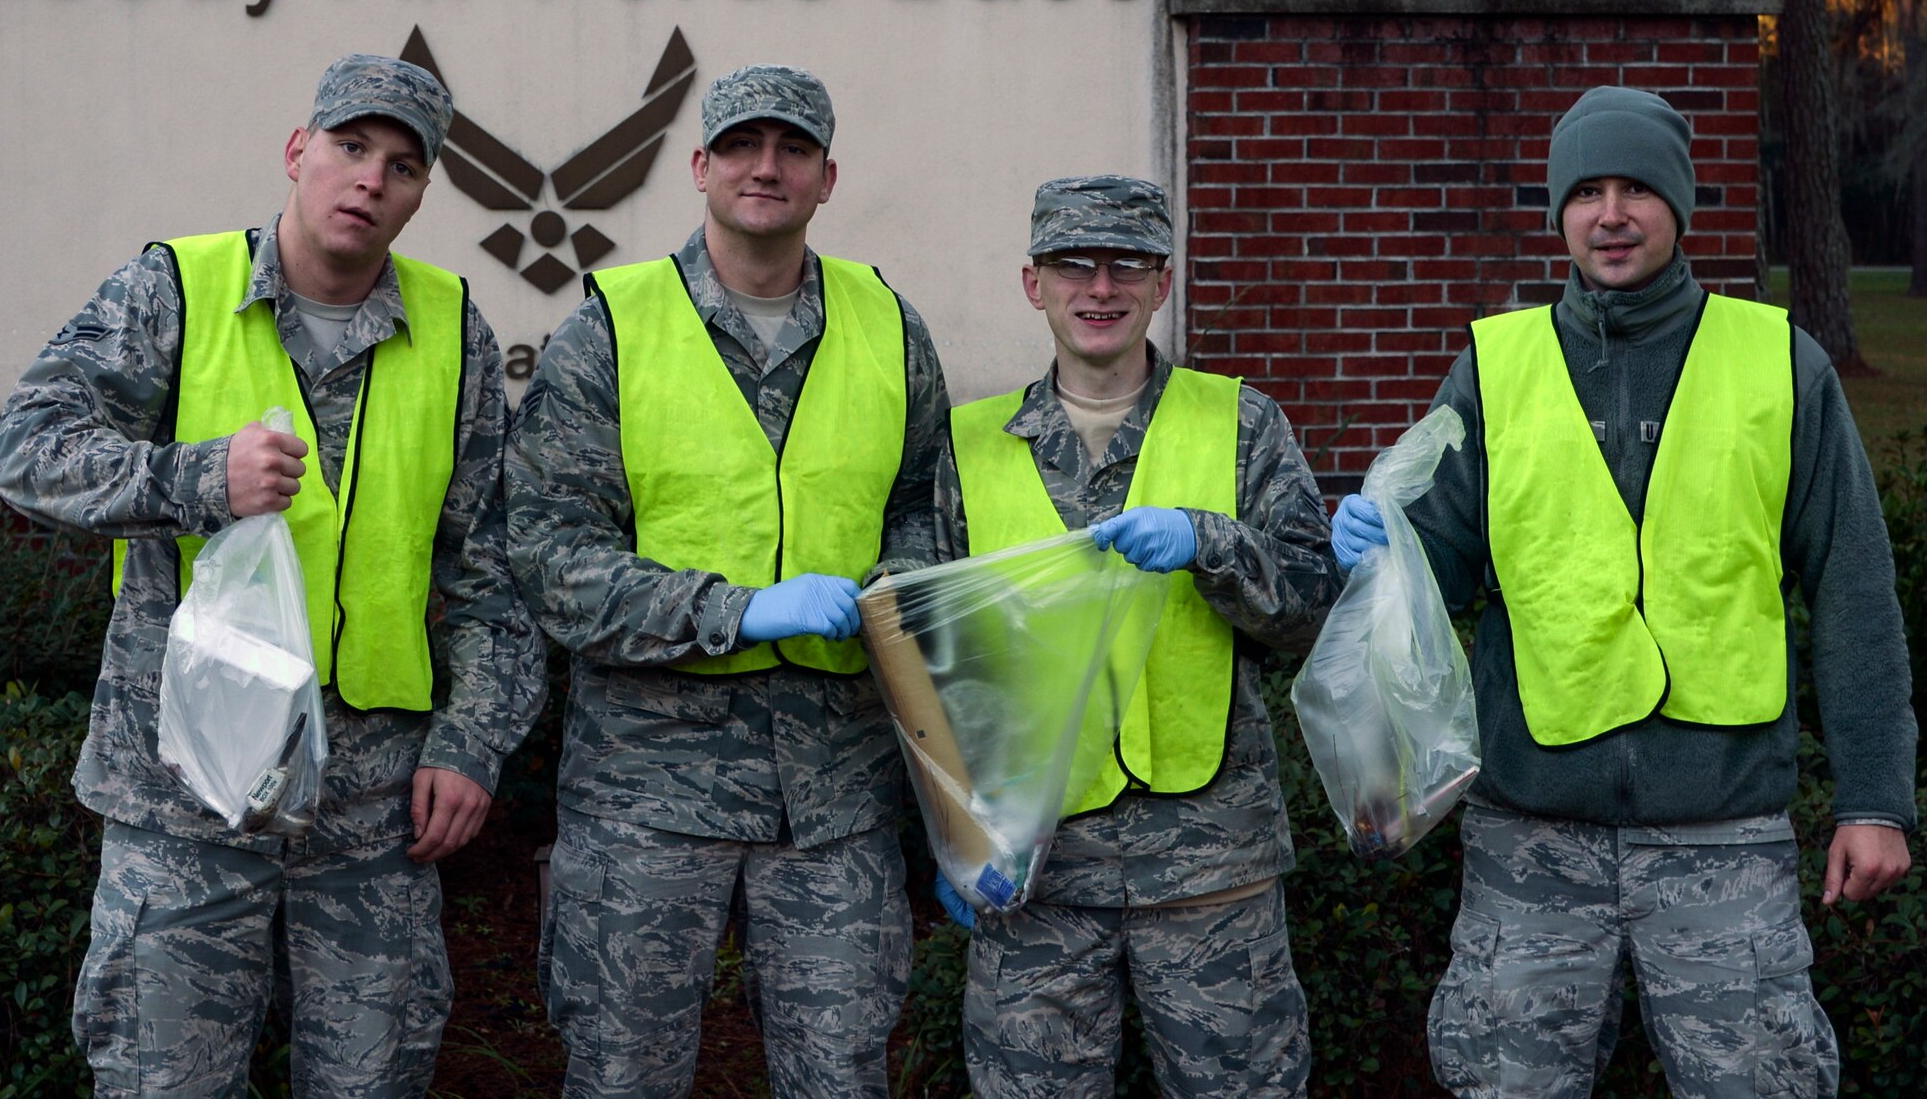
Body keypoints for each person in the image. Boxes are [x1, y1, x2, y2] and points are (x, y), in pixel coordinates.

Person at [1332, 86, 1917, 1096]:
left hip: (1721, 832)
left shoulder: (1779, 362)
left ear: (1678, 206)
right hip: (1530, 838)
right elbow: (1431, 587)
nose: (1610, 213)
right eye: (1586, 190)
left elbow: (1855, 592)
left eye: (1637, 188)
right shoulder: (1491, 367)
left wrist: (1872, 798)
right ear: (1557, 210)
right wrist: (1382, 549)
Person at [0, 54, 548, 1096]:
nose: (369, 180)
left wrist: (472, 743)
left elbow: (492, 572)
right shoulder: (174, 287)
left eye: (401, 163)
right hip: (183, 799)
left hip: (375, 815)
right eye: (349, 147)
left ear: (422, 190)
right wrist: (200, 475)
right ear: (298, 152)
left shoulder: (452, 329)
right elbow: (29, 449)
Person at [505, 64, 950, 1098]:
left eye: (792, 148)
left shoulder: (888, 325)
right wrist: (736, 610)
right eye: (743, 146)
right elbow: (551, 556)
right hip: (645, 797)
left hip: (833, 792)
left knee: (838, 1078)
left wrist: (896, 580)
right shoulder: (609, 332)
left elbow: (930, 504)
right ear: (700, 166)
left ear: (826, 177)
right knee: (623, 1076)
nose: (767, 166)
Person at [931, 175, 1340, 1097]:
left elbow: (1314, 607)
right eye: (1073, 264)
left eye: (1127, 265)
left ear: (1164, 281)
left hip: (1208, 870)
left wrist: (1213, 542)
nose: (1100, 288)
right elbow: (934, 661)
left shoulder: (1242, 425)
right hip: (1034, 876)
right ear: (1033, 282)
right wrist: (953, 835)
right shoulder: (967, 446)